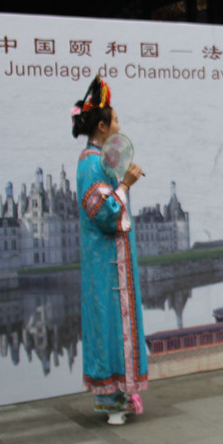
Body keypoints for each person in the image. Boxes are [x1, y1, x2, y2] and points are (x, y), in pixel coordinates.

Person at [71, 77, 147, 424]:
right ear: (102, 127)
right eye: (115, 121)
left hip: (112, 259)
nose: (119, 126)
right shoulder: (90, 164)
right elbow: (102, 213)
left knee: (115, 323)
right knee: (107, 323)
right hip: (105, 262)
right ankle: (111, 399)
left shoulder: (100, 161)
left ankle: (121, 392)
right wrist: (126, 184)